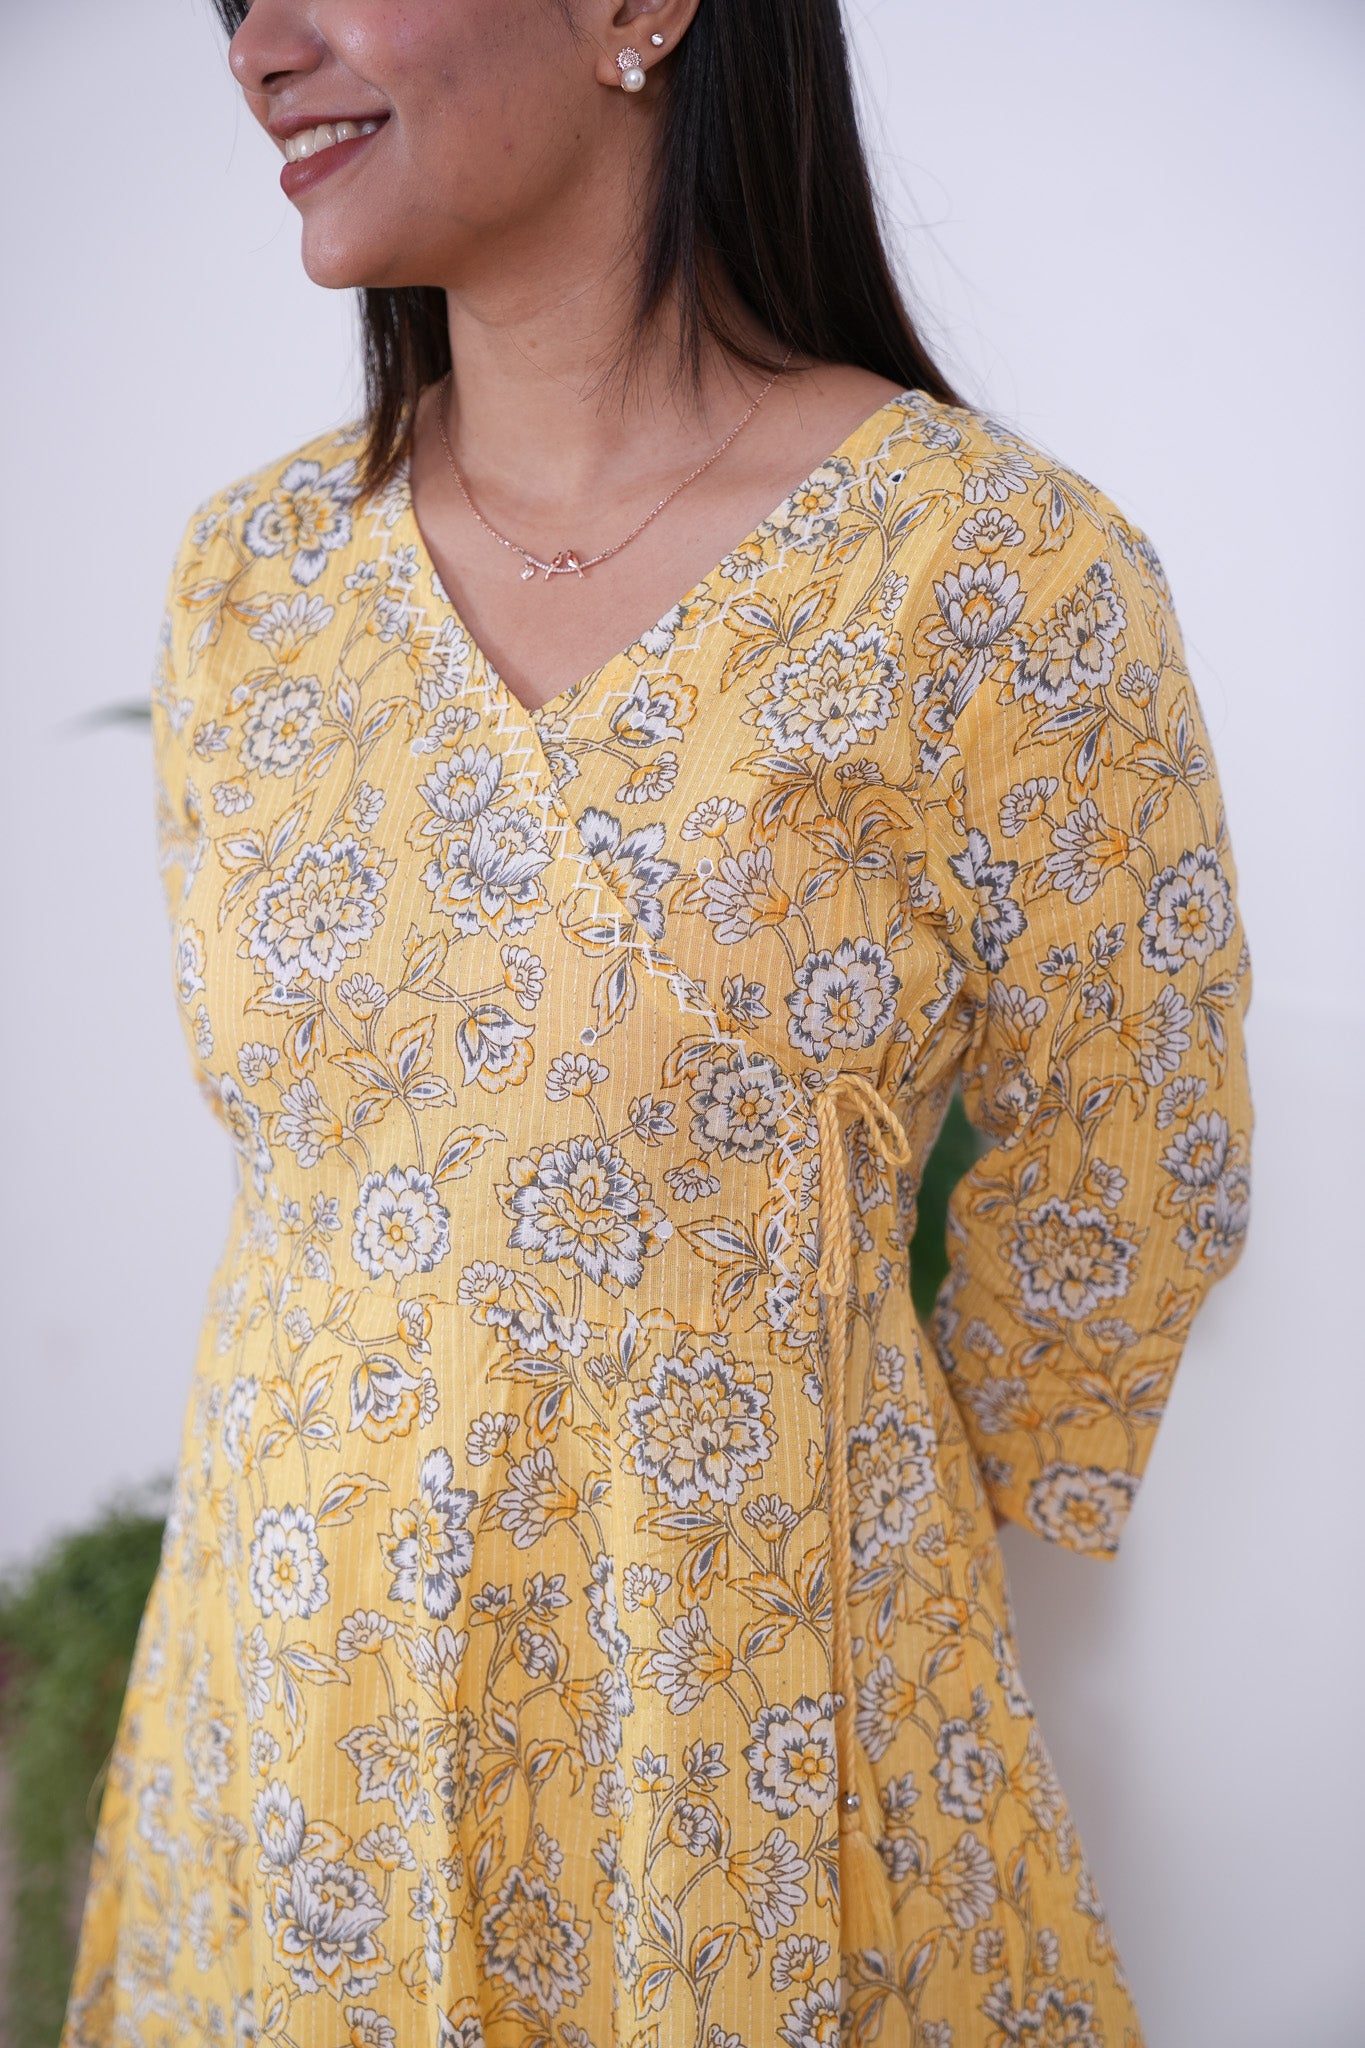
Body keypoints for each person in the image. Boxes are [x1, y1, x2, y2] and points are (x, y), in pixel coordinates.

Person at [63, 3, 1253, 2044]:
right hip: (292, 1730)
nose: (259, 44)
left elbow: (1130, 1175)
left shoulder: (983, 571)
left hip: (751, 1737)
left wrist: (804, 1532)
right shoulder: (251, 578)